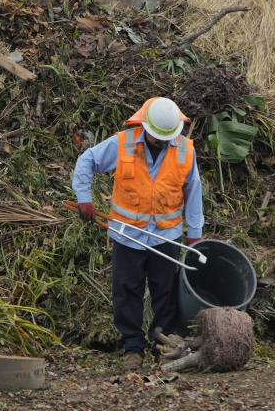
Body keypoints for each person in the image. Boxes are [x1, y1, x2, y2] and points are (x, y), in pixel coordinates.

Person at [71, 97, 204, 370]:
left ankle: (162, 345)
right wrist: (84, 198)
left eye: (166, 139)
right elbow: (87, 161)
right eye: (157, 138)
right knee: (126, 291)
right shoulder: (123, 143)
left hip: (166, 236)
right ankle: (132, 347)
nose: (162, 143)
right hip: (126, 235)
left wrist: (195, 233)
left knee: (165, 293)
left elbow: (194, 193)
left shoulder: (185, 150)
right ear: (145, 127)